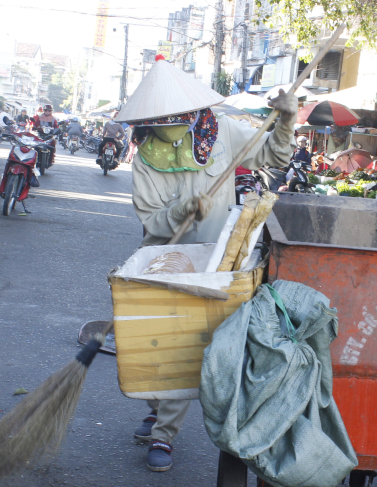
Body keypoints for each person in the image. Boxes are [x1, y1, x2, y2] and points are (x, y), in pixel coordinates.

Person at [119, 55, 296, 472]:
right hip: (164, 258)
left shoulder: (222, 134)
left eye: (175, 116)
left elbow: (273, 156)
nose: (168, 123)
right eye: (159, 119)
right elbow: (152, 220)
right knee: (153, 340)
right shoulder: (145, 158)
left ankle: (164, 433)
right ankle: (157, 403)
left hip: (219, 257)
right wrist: (182, 209)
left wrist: (286, 120)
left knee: (188, 343)